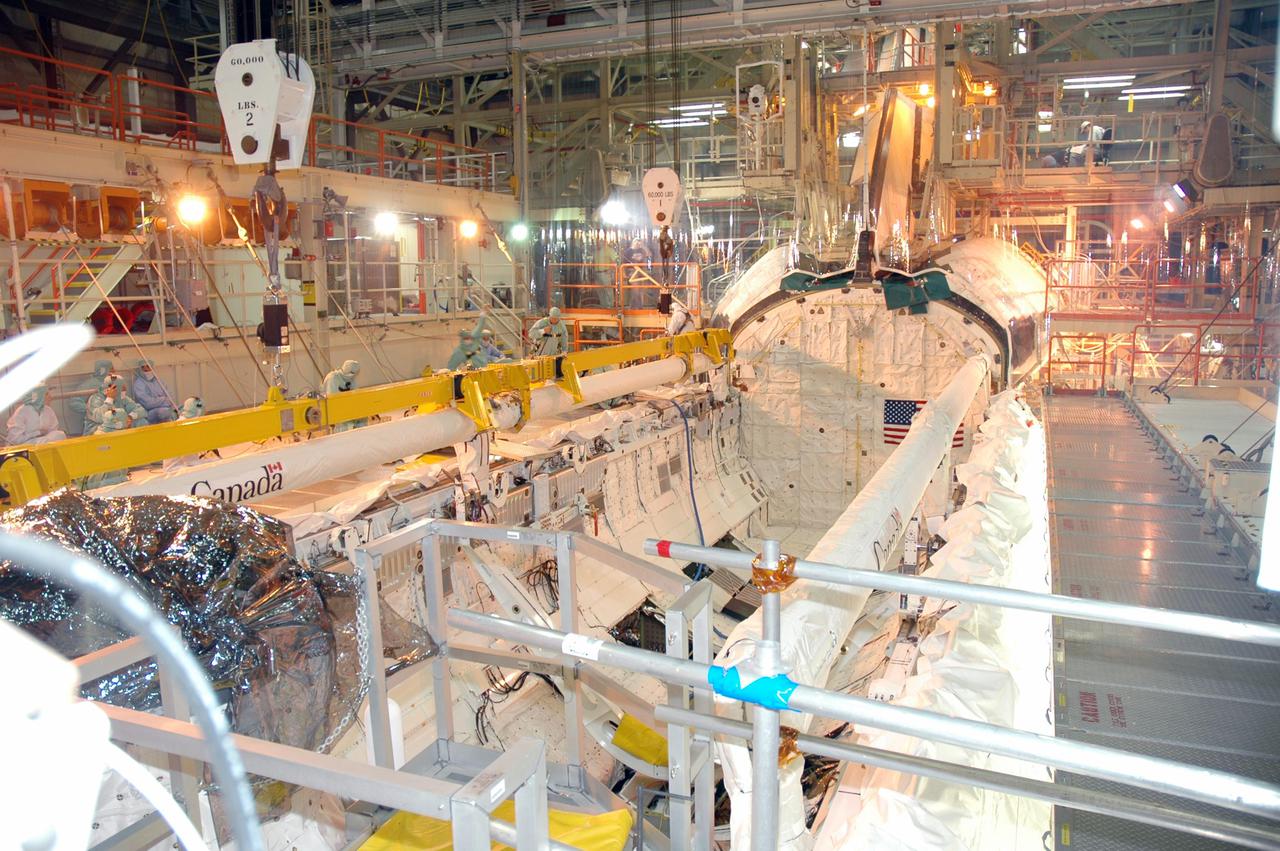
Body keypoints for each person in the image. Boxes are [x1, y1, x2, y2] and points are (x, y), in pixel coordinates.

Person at [83, 406, 130, 488]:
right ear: (118, 424)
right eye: (126, 420)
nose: (128, 422)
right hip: (101, 484)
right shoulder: (102, 438)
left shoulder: (106, 434)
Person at [69, 359, 113, 434]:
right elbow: (73, 402)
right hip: (96, 424)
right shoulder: (89, 384)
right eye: (111, 370)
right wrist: (90, 409)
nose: (113, 373)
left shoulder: (113, 383)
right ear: (104, 370)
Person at [323, 360, 366, 431]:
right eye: (352, 374)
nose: (353, 376)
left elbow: (356, 394)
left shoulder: (351, 379)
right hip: (333, 409)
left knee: (362, 418)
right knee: (344, 424)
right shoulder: (333, 378)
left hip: (346, 407)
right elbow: (333, 402)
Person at [131, 360, 178, 424]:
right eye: (143, 367)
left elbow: (170, 399)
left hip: (165, 409)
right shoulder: (139, 383)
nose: (146, 369)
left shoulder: (159, 380)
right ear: (140, 369)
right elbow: (147, 404)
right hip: (148, 412)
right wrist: (163, 399)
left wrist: (158, 401)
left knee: (175, 411)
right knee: (163, 412)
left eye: (148, 366)